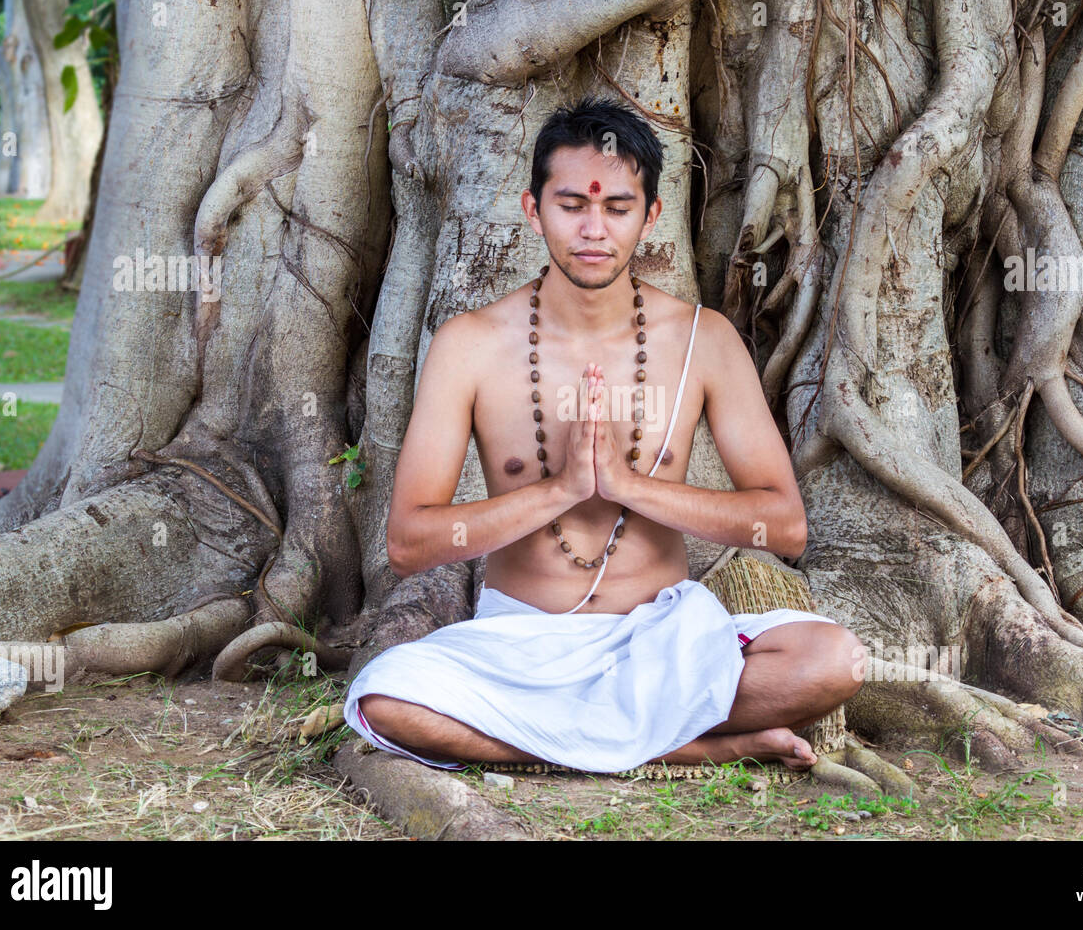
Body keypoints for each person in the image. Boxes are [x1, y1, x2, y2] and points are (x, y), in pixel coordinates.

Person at [344, 95, 865, 773]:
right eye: (571, 205)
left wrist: (627, 486)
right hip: (519, 647)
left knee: (833, 661)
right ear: (534, 211)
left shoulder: (702, 341)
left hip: (663, 643)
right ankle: (686, 747)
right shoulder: (469, 345)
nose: (594, 228)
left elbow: (784, 527)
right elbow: (409, 544)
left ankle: (579, 741)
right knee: (385, 700)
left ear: (649, 217)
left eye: (617, 208)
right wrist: (561, 489)